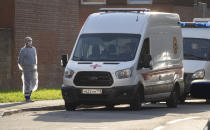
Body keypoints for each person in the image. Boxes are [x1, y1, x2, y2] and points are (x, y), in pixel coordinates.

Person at [18, 37, 38, 102]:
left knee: (34, 81)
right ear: (26, 42)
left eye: (31, 41)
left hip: (33, 67)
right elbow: (20, 60)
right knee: (27, 82)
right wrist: (22, 67)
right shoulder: (23, 50)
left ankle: (30, 93)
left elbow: (35, 57)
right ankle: (27, 97)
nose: (30, 42)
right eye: (29, 41)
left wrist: (35, 65)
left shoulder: (34, 49)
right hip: (26, 68)